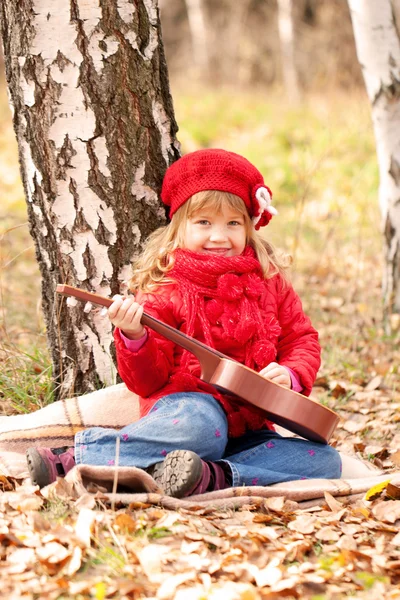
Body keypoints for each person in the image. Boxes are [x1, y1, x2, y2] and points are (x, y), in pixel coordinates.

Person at [26, 149, 341, 496]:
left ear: (249, 226)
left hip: (251, 426)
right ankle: (76, 458)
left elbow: (301, 338)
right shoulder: (165, 286)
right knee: (204, 429)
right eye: (204, 222)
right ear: (179, 226)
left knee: (324, 461)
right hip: (189, 413)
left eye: (233, 223)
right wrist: (133, 336)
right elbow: (146, 382)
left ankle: (212, 476)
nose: (219, 237)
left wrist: (291, 374)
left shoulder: (269, 279)